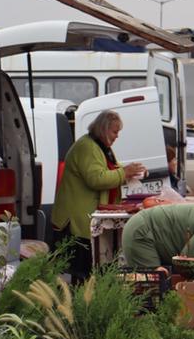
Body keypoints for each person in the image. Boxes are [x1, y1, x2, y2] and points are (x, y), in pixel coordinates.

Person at [52, 110, 147, 281]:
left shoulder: (101, 147)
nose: (117, 136)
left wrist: (132, 173)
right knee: (83, 272)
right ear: (103, 129)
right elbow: (96, 179)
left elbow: (113, 171)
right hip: (78, 220)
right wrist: (124, 173)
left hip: (88, 216)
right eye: (114, 131)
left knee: (90, 270)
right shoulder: (87, 147)